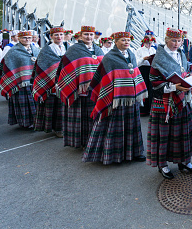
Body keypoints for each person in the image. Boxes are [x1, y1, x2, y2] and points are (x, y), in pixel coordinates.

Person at [83, 32, 148, 164]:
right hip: (116, 98)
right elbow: (103, 78)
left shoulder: (131, 54)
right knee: (116, 126)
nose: (126, 42)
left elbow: (135, 73)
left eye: (128, 40)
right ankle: (114, 155)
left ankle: (134, 152)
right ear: (116, 41)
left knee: (132, 126)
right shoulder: (109, 58)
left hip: (131, 97)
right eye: (123, 40)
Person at [147, 27, 192, 179]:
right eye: (173, 40)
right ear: (167, 40)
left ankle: (184, 161)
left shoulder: (181, 54)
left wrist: (188, 78)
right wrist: (174, 86)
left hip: (181, 100)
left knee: (183, 133)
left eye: (179, 41)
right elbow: (154, 83)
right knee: (164, 136)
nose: (176, 44)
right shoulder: (159, 57)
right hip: (164, 103)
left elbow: (183, 71)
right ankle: (162, 165)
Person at [56, 26, 104, 148]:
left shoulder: (98, 50)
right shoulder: (74, 50)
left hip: (96, 89)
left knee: (95, 115)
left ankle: (95, 141)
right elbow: (65, 68)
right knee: (83, 117)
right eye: (86, 34)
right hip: (80, 90)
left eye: (91, 35)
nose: (89, 37)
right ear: (81, 35)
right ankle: (82, 142)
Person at [0, 30, 40, 129]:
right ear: (19, 39)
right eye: (24, 38)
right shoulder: (13, 51)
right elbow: (7, 65)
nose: (27, 39)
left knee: (36, 102)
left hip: (34, 81)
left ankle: (37, 122)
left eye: (29, 37)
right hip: (20, 82)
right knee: (23, 103)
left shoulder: (36, 49)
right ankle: (25, 123)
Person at [32, 27, 66, 137]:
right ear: (51, 37)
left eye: (61, 35)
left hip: (65, 80)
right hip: (50, 82)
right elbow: (42, 66)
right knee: (54, 105)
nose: (59, 37)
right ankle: (55, 128)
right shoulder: (46, 50)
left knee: (63, 105)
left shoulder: (68, 47)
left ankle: (63, 127)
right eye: (56, 35)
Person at [135, 35, 156, 116]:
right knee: (144, 88)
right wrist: (143, 59)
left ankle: (150, 108)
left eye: (150, 43)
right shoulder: (139, 50)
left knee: (151, 89)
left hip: (151, 69)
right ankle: (143, 110)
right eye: (148, 43)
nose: (149, 45)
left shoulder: (153, 49)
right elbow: (137, 63)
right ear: (144, 42)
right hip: (143, 70)